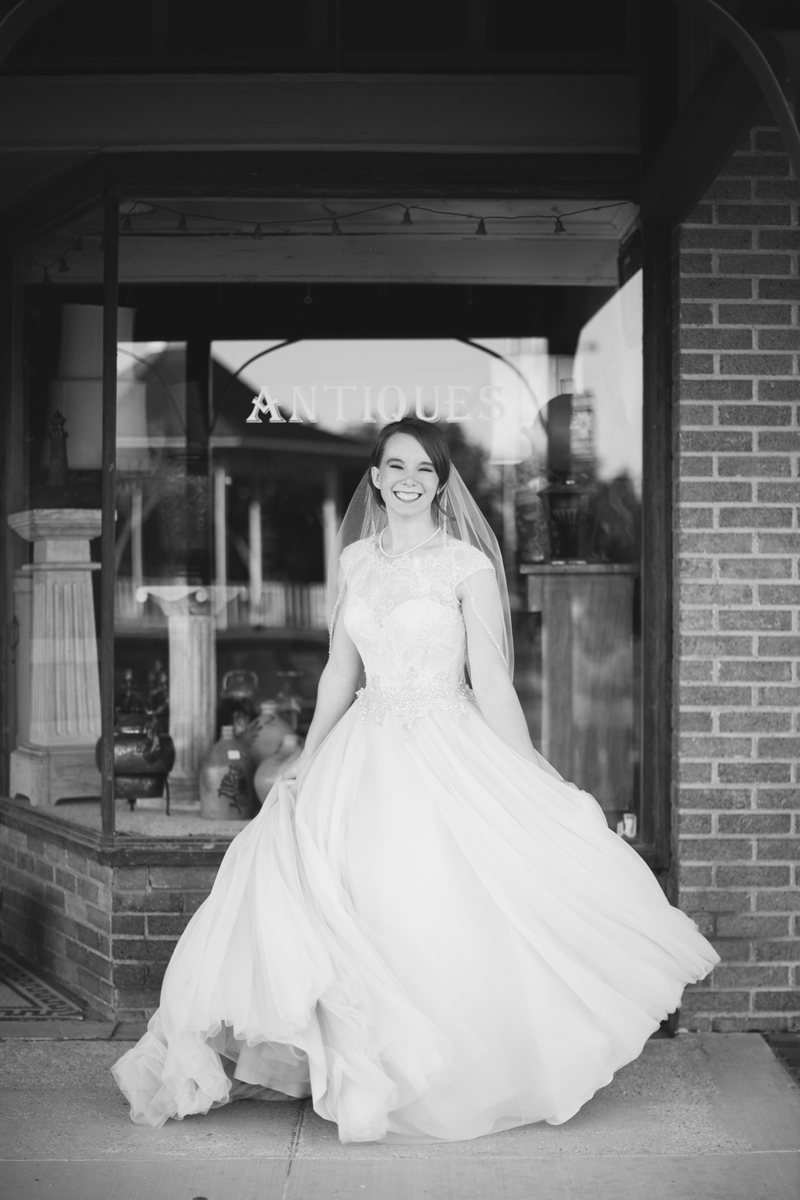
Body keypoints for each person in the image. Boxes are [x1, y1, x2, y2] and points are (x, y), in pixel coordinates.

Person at [111, 417, 718, 1144]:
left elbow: (492, 682)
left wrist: (527, 774)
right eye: (395, 466)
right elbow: (341, 668)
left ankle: (457, 1069)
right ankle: (367, 1066)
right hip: (365, 747)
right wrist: (307, 756)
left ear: (440, 481)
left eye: (423, 469)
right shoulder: (359, 561)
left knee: (438, 901)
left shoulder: (468, 566)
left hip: (445, 740)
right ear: (375, 475)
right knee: (356, 898)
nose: (407, 479)